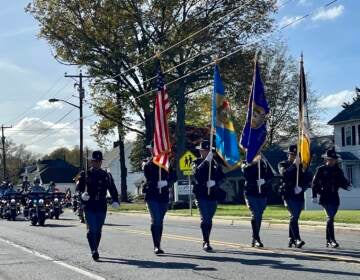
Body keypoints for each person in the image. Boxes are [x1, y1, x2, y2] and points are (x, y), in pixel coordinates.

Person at [76, 150, 120, 261]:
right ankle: (94, 251)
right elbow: (78, 189)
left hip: (101, 204)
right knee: (91, 229)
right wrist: (82, 195)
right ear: (91, 162)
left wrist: (115, 199)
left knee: (98, 230)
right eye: (95, 161)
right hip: (89, 204)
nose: (97, 163)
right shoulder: (84, 174)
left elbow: (112, 188)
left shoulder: (106, 175)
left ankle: (95, 247)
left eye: (99, 161)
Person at [312, 148, 351, 248]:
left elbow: (342, 181)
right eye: (330, 159)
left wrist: (347, 186)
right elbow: (314, 183)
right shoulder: (321, 169)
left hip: (334, 196)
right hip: (324, 196)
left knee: (330, 218)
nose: (333, 161)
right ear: (326, 159)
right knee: (330, 218)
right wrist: (314, 195)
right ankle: (332, 240)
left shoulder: (338, 170)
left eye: (334, 159)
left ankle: (328, 240)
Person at [142, 141, 176, 255]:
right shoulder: (148, 164)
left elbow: (174, 176)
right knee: (156, 219)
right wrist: (157, 183)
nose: (151, 150)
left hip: (164, 196)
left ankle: (158, 243)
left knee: (160, 221)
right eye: (151, 149)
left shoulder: (166, 164)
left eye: (153, 148)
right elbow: (148, 178)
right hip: (152, 196)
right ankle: (157, 246)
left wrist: (166, 182)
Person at [192, 139, 225, 252]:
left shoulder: (215, 163)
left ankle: (207, 238)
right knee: (205, 218)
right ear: (200, 151)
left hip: (212, 195)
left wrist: (215, 182)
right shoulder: (196, 162)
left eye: (207, 151)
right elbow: (196, 174)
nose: (205, 152)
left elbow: (222, 177)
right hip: (201, 194)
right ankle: (206, 241)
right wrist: (206, 162)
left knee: (209, 219)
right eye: (203, 151)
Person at [278, 145, 312, 248]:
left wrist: (302, 187)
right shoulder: (282, 164)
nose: (293, 156)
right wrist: (294, 165)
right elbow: (284, 174)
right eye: (291, 154)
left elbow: (308, 179)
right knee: (294, 216)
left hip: (299, 195)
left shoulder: (302, 166)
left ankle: (291, 238)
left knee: (294, 217)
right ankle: (297, 239)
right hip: (288, 194)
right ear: (288, 154)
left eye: (295, 155)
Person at [242, 155, 273, 248]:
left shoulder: (264, 163)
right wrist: (253, 163)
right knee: (256, 214)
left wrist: (264, 181)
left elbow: (271, 175)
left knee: (259, 215)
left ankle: (254, 237)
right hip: (251, 192)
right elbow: (245, 171)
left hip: (262, 193)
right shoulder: (246, 162)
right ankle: (257, 238)